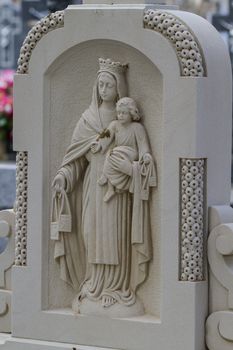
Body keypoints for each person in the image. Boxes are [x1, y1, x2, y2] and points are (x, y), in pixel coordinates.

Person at [51, 58, 156, 314]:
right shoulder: (88, 119)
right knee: (91, 232)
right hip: (92, 186)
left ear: (118, 87)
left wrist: (133, 166)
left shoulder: (130, 125)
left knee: (114, 235)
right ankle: (95, 284)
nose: (103, 89)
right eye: (100, 84)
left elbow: (142, 153)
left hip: (117, 191)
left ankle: (116, 288)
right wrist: (64, 176)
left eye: (109, 84)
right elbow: (75, 158)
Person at [92, 97, 153, 203]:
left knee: (114, 152)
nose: (120, 115)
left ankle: (107, 177)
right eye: (119, 113)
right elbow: (106, 134)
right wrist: (99, 144)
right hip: (119, 154)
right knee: (110, 153)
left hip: (131, 154)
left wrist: (146, 156)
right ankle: (110, 187)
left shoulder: (137, 128)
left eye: (124, 113)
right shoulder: (115, 125)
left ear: (131, 113)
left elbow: (143, 146)